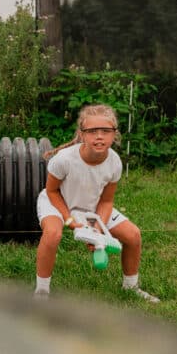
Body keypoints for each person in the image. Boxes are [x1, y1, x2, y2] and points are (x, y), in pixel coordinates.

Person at [34, 104, 159, 302]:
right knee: (53, 234)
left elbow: (107, 200)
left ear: (114, 135)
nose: (99, 136)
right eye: (92, 131)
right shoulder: (64, 159)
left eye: (105, 131)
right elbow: (51, 191)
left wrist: (98, 230)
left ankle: (131, 287)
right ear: (82, 134)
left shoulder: (115, 162)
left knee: (133, 235)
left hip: (90, 208)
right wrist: (69, 220)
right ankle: (41, 292)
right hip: (57, 202)